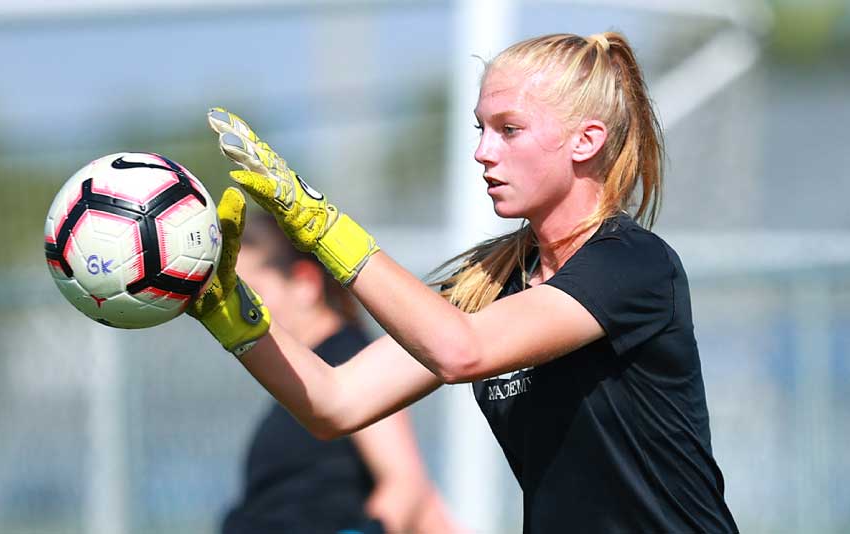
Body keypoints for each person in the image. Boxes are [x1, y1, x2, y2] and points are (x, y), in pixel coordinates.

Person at [187, 31, 738, 532]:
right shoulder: (490, 281)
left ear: (585, 141)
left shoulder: (631, 264)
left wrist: (321, 227)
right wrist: (226, 305)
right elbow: (337, 403)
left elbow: (462, 351)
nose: (482, 151)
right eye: (481, 128)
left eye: (509, 129)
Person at [221, 219, 457, 534]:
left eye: (252, 294)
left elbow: (406, 482)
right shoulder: (313, 372)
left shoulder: (348, 361)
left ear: (305, 284)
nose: (240, 311)